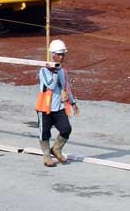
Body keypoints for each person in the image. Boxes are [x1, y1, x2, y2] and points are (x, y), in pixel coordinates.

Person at [35, 39, 79, 167]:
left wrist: (73, 103)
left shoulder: (62, 71)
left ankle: (56, 149)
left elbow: (66, 87)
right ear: (52, 55)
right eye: (59, 54)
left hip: (59, 107)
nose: (61, 57)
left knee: (66, 129)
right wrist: (53, 71)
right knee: (44, 133)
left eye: (63, 54)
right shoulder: (44, 71)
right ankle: (47, 156)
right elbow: (51, 85)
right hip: (45, 108)